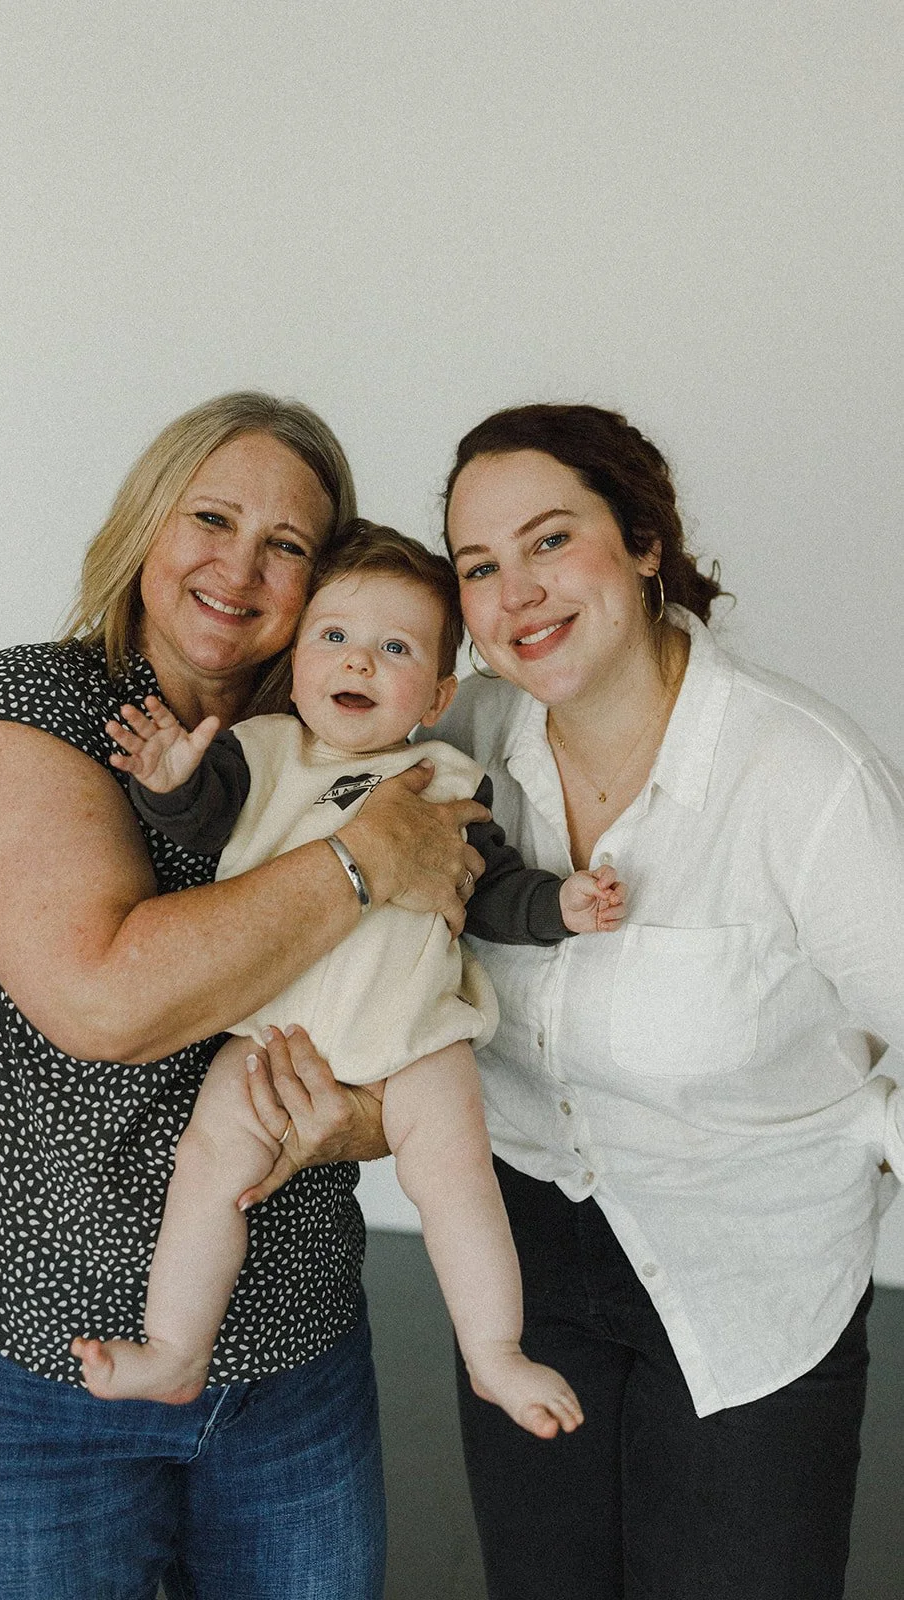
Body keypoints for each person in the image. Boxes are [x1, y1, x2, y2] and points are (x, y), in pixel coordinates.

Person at [0, 393, 492, 1600]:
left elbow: (414, 1005)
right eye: (211, 516)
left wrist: (366, 1117)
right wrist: (364, 859)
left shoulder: (346, 744)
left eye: (288, 544)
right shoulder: (27, 709)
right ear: (147, 526)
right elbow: (105, 1000)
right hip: (22, 1341)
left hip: (289, 1334)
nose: (239, 565)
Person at [437, 401, 904, 1600]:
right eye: (478, 566)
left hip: (744, 1271)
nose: (516, 593)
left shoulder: (797, 775)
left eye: (550, 541)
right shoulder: (467, 741)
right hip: (525, 1260)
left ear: (644, 541)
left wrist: (871, 1148)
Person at [71, 521, 625, 1435]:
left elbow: (490, 891)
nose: (358, 662)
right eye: (333, 638)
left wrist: (559, 906)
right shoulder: (262, 753)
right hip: (267, 1034)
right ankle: (175, 1350)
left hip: (412, 1038)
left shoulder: (441, 776)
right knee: (207, 1163)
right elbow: (199, 822)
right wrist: (168, 779)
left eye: (394, 648)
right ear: (294, 661)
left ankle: (494, 1351)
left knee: (455, 1179)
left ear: (437, 693)